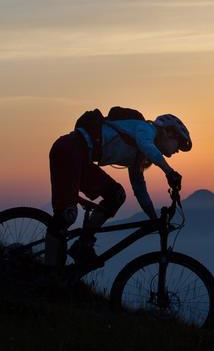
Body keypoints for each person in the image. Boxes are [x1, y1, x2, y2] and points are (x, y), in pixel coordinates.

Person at [45, 110, 191, 267]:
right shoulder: (146, 129)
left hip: (82, 157)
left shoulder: (140, 154)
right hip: (69, 149)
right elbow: (146, 144)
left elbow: (139, 188)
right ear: (167, 132)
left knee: (116, 195)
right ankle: (49, 271)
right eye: (178, 143)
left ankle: (84, 244)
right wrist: (169, 172)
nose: (177, 150)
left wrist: (153, 218)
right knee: (66, 215)